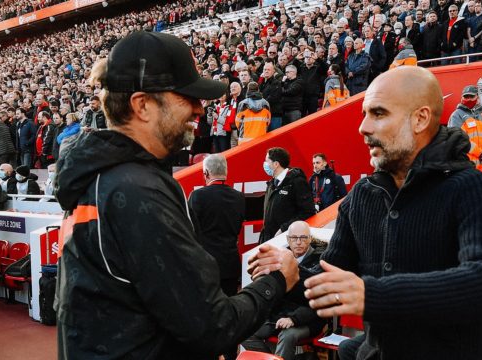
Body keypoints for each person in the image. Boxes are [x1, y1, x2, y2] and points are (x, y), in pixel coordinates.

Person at [55, 32, 300, 360]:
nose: (200, 109)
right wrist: (276, 280)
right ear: (142, 105)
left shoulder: (99, 177)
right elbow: (211, 326)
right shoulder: (137, 190)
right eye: (187, 96)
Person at [303, 67, 482, 359]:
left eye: (378, 113)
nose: (363, 127)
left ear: (420, 119)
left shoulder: (472, 188)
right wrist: (289, 278)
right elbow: (330, 274)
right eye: (364, 114)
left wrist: (374, 295)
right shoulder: (361, 196)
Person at [188, 154, 245, 360]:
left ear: (205, 173)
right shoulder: (238, 197)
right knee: (228, 314)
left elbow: (190, 232)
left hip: (205, 267)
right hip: (230, 264)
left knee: (205, 316)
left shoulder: (198, 197)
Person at [243, 221, 326, 360]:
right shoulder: (280, 258)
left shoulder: (321, 261)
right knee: (246, 332)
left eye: (303, 238)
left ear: (310, 239)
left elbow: (319, 302)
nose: (298, 242)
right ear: (288, 239)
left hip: (309, 318)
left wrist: (293, 319)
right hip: (279, 316)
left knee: (287, 335)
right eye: (294, 238)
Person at [260, 147, 316, 244]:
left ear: (276, 164)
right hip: (269, 239)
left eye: (267, 161)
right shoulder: (272, 184)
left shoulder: (296, 182)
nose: (265, 164)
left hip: (286, 242)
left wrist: (284, 229)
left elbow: (307, 212)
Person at [448, 85, 482, 172]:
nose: (468, 99)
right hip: (465, 165)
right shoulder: (457, 115)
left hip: (481, 167)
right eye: (466, 96)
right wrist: (479, 152)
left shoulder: (480, 116)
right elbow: (457, 139)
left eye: (471, 96)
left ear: (477, 97)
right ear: (461, 98)